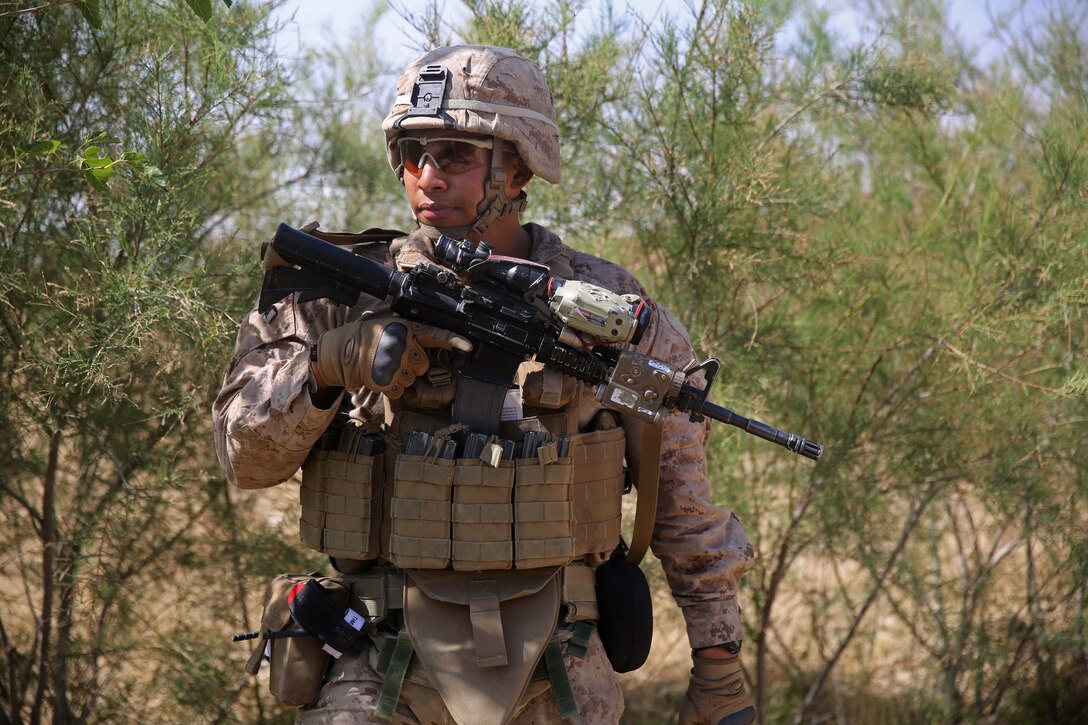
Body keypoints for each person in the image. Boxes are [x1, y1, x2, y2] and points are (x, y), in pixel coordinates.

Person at [213, 44, 755, 725]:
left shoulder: (607, 307)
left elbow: (679, 490)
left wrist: (718, 663)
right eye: (414, 156)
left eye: (455, 156)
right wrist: (325, 366)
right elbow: (242, 455)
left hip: (558, 664)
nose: (428, 178)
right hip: (381, 658)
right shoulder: (341, 293)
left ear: (520, 162)